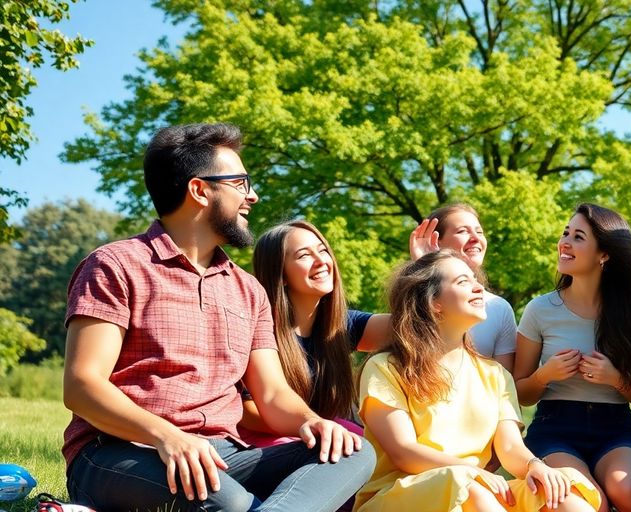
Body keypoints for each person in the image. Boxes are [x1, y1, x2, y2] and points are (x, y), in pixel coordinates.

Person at [61, 123, 375, 512]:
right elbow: (81, 386)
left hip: (223, 454)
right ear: (199, 190)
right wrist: (166, 436)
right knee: (231, 503)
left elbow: (273, 395)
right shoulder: (115, 265)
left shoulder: (248, 290)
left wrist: (311, 422)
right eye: (241, 184)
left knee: (352, 450)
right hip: (119, 451)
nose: (253, 196)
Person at [355, 250, 601, 512]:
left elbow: (509, 447)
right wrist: (471, 473)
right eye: (463, 281)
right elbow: (403, 452)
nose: (478, 288)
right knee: (468, 486)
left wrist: (535, 466)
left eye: (476, 280)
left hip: (477, 489)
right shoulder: (385, 368)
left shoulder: (495, 375)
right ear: (433, 302)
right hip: (399, 496)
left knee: (561, 489)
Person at [514, 203, 631, 512]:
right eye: (566, 233)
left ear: (604, 254)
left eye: (578, 237)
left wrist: (617, 380)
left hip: (616, 429)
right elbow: (519, 394)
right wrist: (545, 375)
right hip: (555, 428)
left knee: (625, 490)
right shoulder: (539, 310)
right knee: (589, 504)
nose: (564, 242)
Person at [239, 220, 390, 446]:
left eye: (323, 250)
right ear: (281, 275)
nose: (321, 261)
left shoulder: (340, 324)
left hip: (325, 431)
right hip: (272, 444)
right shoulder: (256, 330)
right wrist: (312, 426)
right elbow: (246, 411)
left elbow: (412, 329)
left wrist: (429, 270)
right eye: (303, 256)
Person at [409, 204, 517, 371]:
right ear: (435, 241)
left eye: (479, 232)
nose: (475, 238)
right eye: (462, 231)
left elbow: (506, 386)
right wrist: (425, 271)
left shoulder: (498, 308)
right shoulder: (416, 299)